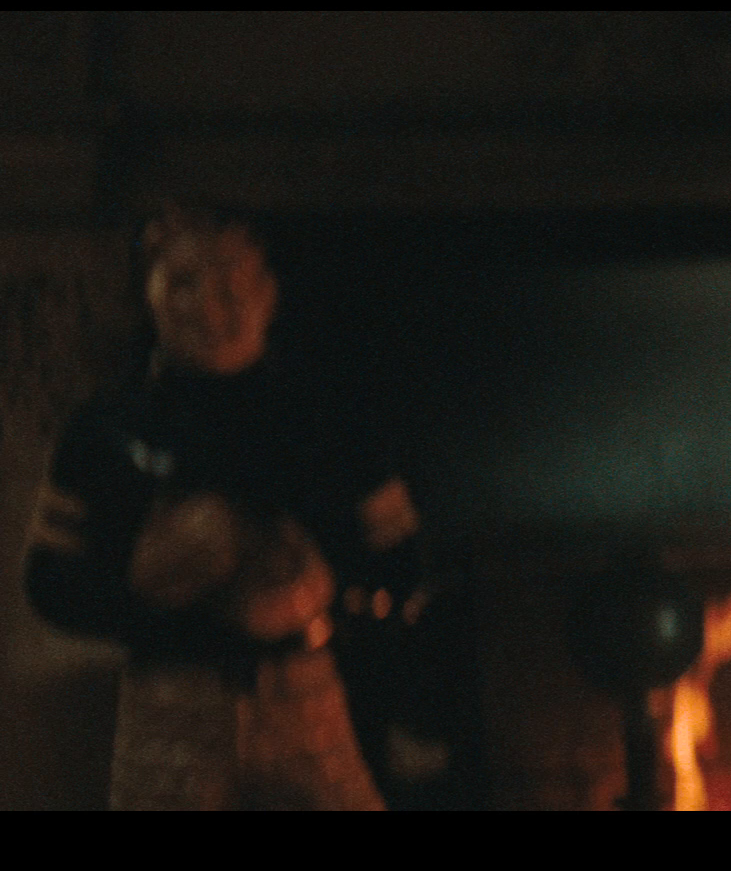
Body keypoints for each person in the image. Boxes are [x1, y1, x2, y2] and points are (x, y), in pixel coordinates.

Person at [25, 202, 432, 810]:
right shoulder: (106, 432)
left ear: (268, 292)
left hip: (303, 694)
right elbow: (50, 583)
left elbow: (403, 565)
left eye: (231, 284)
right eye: (184, 283)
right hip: (170, 706)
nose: (210, 308)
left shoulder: (330, 422)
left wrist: (315, 592)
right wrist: (144, 587)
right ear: (149, 293)